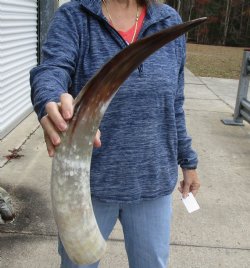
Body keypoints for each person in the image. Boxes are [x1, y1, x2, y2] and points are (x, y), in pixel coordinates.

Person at [30, 0, 200, 267]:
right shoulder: (75, 17)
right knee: (79, 262)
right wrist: (49, 100)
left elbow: (174, 104)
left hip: (151, 183)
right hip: (88, 185)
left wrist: (188, 161)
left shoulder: (169, 21)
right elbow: (51, 70)